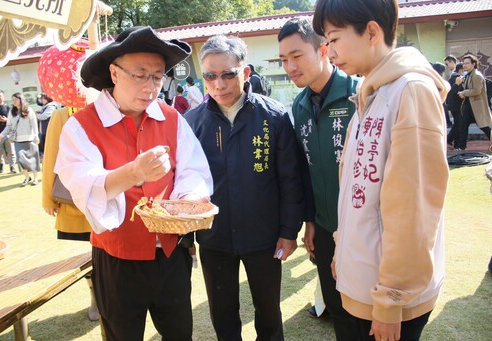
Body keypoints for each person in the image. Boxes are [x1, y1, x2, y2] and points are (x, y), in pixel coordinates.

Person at [54, 26, 213, 341]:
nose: (150, 86)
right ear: (114, 72)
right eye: (140, 75)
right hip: (117, 259)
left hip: (171, 255)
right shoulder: (81, 126)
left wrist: (187, 200)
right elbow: (82, 181)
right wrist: (133, 173)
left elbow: (193, 170)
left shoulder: (171, 118)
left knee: (179, 333)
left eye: (157, 77)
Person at [313, 1, 450, 340]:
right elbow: (359, 190)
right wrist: (343, 249)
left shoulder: (410, 91)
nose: (329, 52)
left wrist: (391, 300)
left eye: (334, 38)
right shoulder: (371, 93)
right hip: (364, 282)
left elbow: (413, 210)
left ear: (371, 31)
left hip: (389, 297)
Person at [185, 35, 304, 340]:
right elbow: (182, 183)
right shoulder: (191, 123)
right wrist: (188, 240)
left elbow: (291, 180)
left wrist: (289, 232)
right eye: (210, 76)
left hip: (264, 238)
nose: (219, 84)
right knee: (223, 315)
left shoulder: (274, 117)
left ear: (245, 72)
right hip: (214, 238)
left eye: (228, 74)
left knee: (268, 313)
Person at [278, 17, 359, 339]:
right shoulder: (298, 106)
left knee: (369, 312)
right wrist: (310, 220)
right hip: (325, 228)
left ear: (324, 49)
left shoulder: (359, 93)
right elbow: (304, 169)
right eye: (283, 59)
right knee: (339, 310)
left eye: (297, 56)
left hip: (363, 228)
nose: (289, 67)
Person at [42, 106, 100, 322]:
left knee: (108, 256)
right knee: (87, 257)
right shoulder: (61, 114)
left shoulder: (108, 107)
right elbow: (51, 156)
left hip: (104, 197)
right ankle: (95, 295)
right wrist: (48, 198)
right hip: (73, 201)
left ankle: (107, 296)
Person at [0, 92, 40, 186]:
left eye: (15, 99)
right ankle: (26, 177)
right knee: (21, 160)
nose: (14, 101)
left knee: (33, 159)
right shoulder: (11, 112)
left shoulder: (28, 110)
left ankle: (35, 178)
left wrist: (36, 135)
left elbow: (34, 124)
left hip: (30, 139)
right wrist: (1, 135)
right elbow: (8, 126)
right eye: (13, 100)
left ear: (21, 99)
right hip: (18, 140)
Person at [456, 53, 492, 150]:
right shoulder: (468, 74)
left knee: (484, 127)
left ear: (473, 64)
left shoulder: (477, 75)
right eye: (464, 63)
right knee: (463, 125)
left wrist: (464, 92)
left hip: (476, 106)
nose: (465, 65)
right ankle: (461, 146)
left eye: (467, 63)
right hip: (470, 105)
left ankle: (461, 146)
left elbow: (477, 90)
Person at [447, 62, 464, 148]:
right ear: (461, 70)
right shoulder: (458, 78)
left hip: (453, 105)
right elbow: (455, 92)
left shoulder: (452, 78)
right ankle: (455, 142)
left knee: (457, 124)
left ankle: (450, 140)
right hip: (457, 106)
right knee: (458, 125)